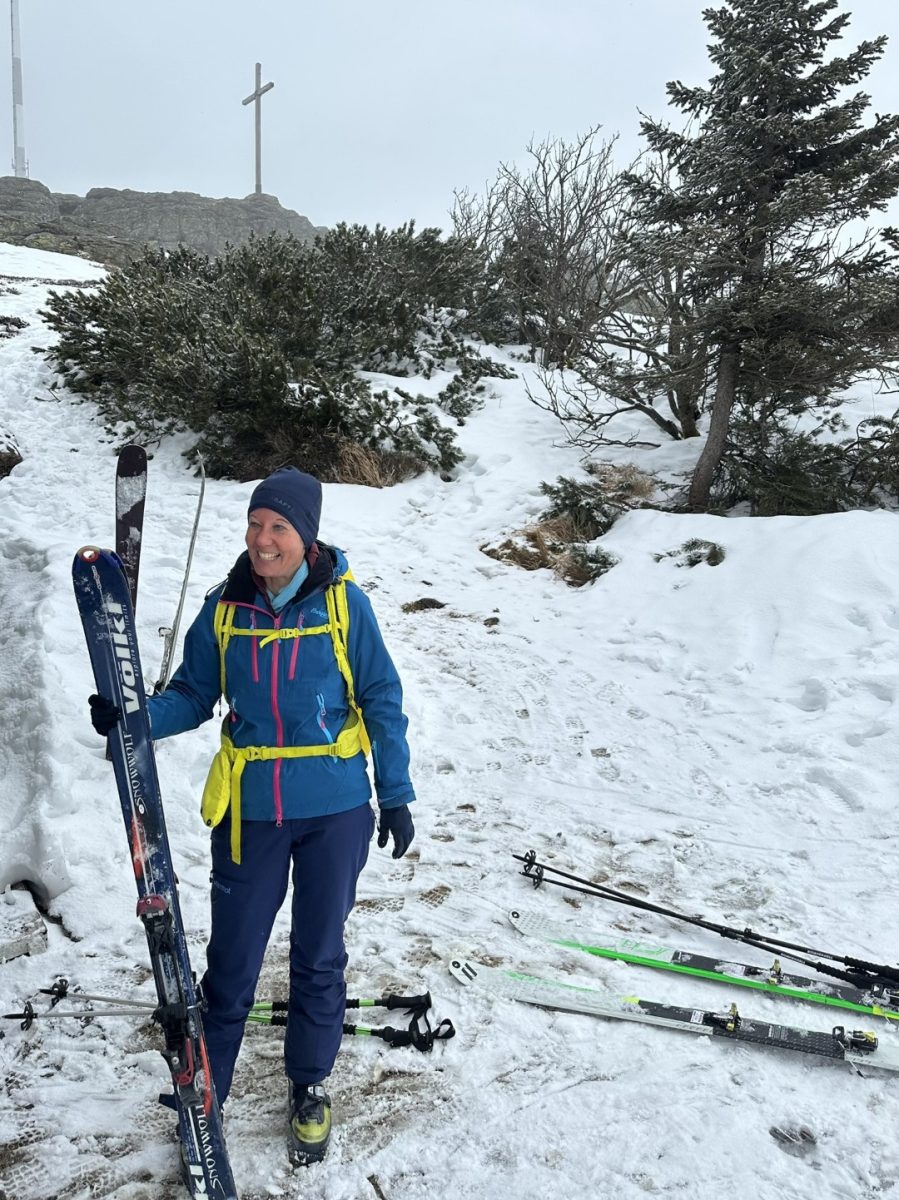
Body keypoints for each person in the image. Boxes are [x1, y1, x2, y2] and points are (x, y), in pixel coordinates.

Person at [89, 466, 416, 1166]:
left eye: (279, 528)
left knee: (319, 957)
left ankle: (309, 1085)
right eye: (256, 524)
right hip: (251, 814)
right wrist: (134, 718)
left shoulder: (343, 607)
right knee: (231, 963)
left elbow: (382, 697)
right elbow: (192, 694)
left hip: (335, 811)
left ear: (307, 536)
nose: (263, 540)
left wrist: (394, 792)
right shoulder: (225, 608)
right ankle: (208, 1090)